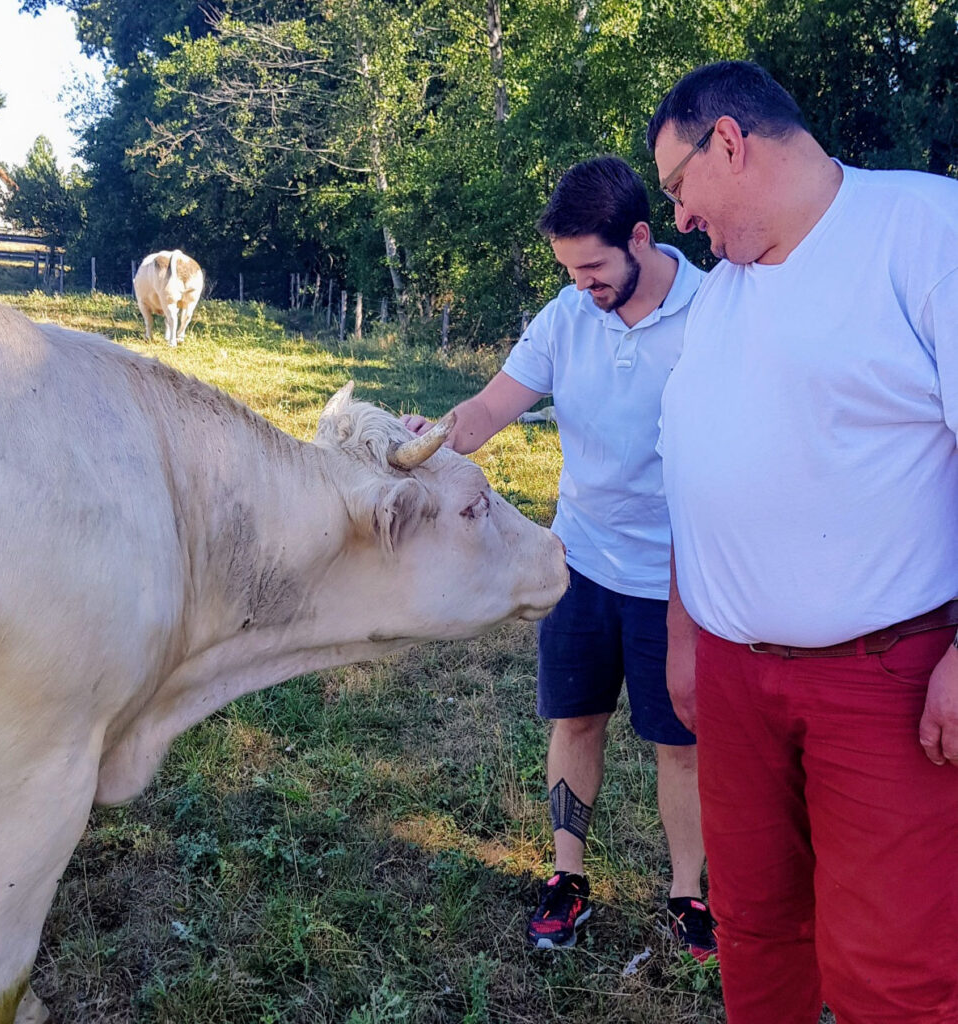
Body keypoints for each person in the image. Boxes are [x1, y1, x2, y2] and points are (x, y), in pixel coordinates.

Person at [647, 60, 958, 1023]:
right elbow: (693, 470)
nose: (680, 219)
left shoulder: (924, 231)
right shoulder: (723, 295)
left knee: (893, 965)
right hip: (735, 678)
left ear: (729, 142)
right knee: (753, 926)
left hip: (884, 678)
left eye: (679, 187)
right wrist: (684, 632)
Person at [402, 156, 716, 957]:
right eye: (569, 271)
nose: (582, 285)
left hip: (678, 580)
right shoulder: (566, 315)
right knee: (576, 721)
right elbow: (489, 408)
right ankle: (567, 878)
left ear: (640, 237)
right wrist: (434, 438)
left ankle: (689, 896)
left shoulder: (714, 312)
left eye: (593, 268)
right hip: (577, 562)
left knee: (681, 745)